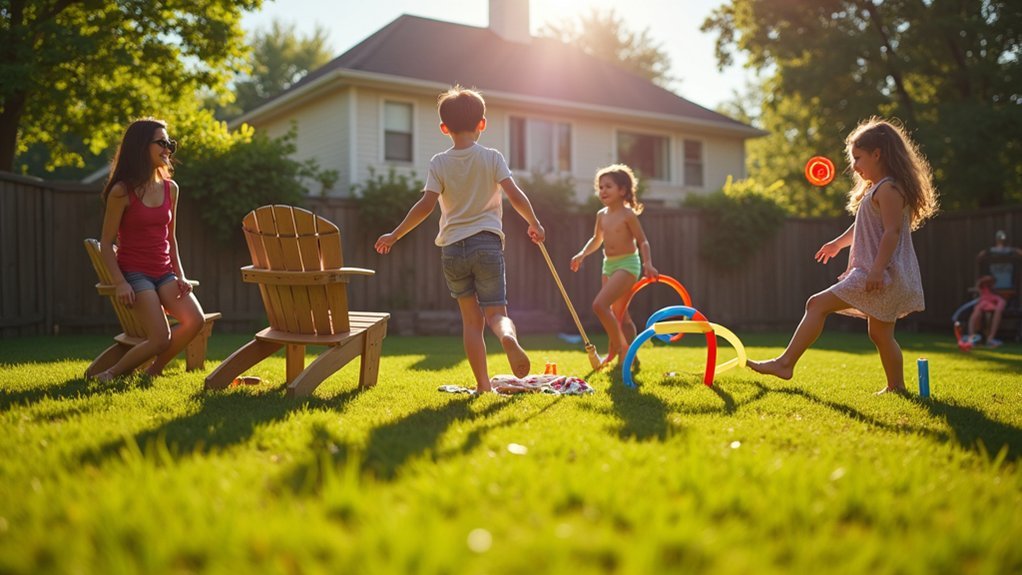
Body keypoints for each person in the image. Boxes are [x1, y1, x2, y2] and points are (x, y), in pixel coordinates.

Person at [748, 117, 939, 395]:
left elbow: (891, 232)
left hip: (878, 273)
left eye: (858, 158)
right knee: (881, 334)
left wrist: (876, 270)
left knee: (816, 304)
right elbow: (863, 226)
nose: (854, 166)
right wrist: (838, 244)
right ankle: (897, 387)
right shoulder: (878, 188)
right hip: (881, 272)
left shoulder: (889, 189)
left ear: (878, 154)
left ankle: (785, 363)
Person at [374, 86, 545, 393]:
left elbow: (425, 206)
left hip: (453, 249)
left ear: (444, 128)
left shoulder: (439, 162)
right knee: (496, 314)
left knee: (471, 322)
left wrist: (394, 234)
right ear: (482, 123)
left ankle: (482, 386)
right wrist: (534, 222)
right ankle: (507, 337)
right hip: (487, 245)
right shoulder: (492, 157)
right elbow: (515, 195)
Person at [94, 118, 207, 382]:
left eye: (170, 143)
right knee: (159, 338)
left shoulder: (171, 188)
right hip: (136, 275)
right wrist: (120, 283)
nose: (168, 148)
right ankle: (110, 374)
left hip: (164, 272)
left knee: (195, 320)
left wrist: (180, 275)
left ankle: (153, 371)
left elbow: (171, 238)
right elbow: (107, 242)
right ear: (141, 146)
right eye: (162, 142)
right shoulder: (122, 191)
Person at [569, 164, 658, 367]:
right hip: (608, 265)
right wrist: (582, 254)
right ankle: (632, 357)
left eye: (608, 186)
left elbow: (642, 241)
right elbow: (596, 239)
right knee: (621, 316)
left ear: (622, 190)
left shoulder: (628, 215)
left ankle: (622, 349)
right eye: (600, 187)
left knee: (599, 305)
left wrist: (648, 264)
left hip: (628, 265)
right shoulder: (601, 215)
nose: (603, 191)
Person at [965, 275, 1005, 348]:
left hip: (992, 306)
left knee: (998, 311)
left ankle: (991, 338)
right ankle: (972, 337)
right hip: (982, 305)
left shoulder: (996, 294)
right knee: (976, 314)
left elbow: (999, 301)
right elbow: (975, 288)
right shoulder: (982, 289)